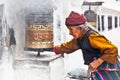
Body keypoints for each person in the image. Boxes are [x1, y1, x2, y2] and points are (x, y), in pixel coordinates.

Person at [54, 11, 120, 80]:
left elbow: (113, 49)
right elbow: (68, 47)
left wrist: (98, 62)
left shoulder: (92, 37)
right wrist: (55, 49)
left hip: (109, 70)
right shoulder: (80, 38)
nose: (70, 33)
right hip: (99, 70)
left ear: (80, 28)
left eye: (71, 29)